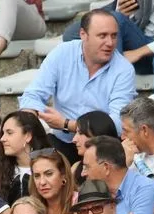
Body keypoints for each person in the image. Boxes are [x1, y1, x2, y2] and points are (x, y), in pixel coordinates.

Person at [19, 10, 136, 162]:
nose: (110, 43)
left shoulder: (124, 70)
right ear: (83, 34)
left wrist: (68, 124)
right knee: (30, 155)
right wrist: (31, 115)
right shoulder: (62, 53)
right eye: (102, 36)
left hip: (102, 147)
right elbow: (32, 95)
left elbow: (117, 125)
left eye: (114, 36)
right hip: (63, 141)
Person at [81, 136, 154, 214]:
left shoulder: (147, 188)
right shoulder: (95, 194)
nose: (83, 173)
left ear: (106, 167)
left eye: (87, 167)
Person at [0, 110, 49, 205]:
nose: (2, 139)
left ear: (28, 136)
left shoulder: (51, 165)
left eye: (9, 133)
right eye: (3, 133)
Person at [28, 148, 75, 214]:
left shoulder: (79, 202)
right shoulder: (31, 209)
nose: (42, 182)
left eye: (48, 174)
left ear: (63, 175)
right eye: (37, 176)